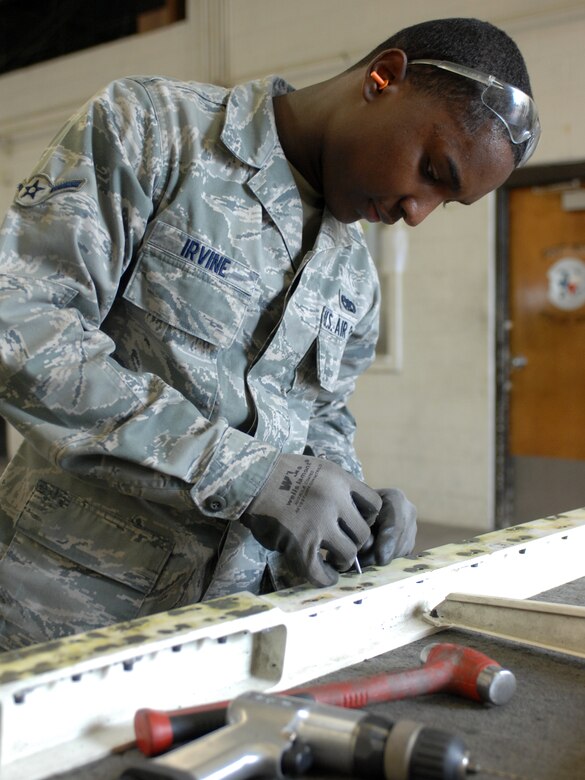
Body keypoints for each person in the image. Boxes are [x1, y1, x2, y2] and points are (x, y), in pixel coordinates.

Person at [0, 17, 539, 650]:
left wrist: (352, 506)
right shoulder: (154, 130)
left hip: (236, 635)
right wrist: (247, 475)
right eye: (431, 170)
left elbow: (323, 417)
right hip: (63, 611)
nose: (416, 212)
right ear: (383, 78)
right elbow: (25, 328)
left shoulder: (353, 274)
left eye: (446, 203)